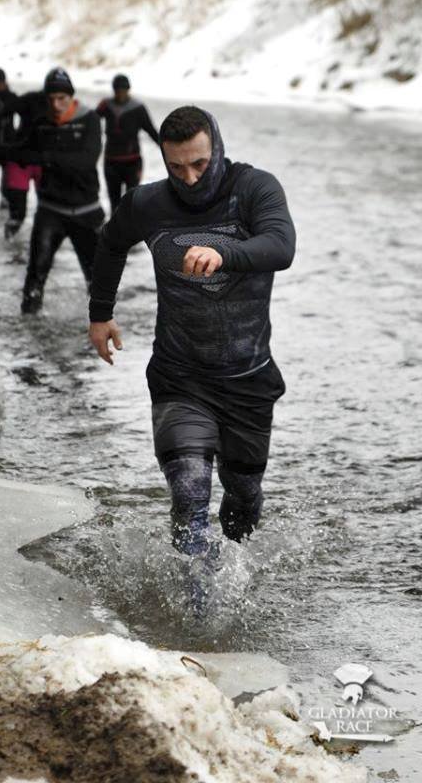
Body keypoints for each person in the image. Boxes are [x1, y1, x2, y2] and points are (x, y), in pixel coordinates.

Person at [88, 105, 295, 558]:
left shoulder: (255, 189)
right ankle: (195, 613)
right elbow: (110, 243)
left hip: (248, 379)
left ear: (217, 148)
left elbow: (281, 246)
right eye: (176, 167)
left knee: (241, 501)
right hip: (180, 376)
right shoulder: (148, 203)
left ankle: (236, 582)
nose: (190, 177)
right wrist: (100, 313)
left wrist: (226, 254)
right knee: (189, 496)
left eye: (200, 163)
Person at [13, 67, 104, 314]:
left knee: (99, 282)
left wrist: (44, 158)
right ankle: (29, 330)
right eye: (50, 99)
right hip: (50, 210)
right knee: (35, 277)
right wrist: (2, 150)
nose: (55, 104)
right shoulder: (40, 122)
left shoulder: (90, 119)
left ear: (71, 97)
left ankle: (101, 332)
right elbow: (22, 150)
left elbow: (86, 160)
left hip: (87, 210)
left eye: (61, 98)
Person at [0, 68, 45, 240]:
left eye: (1, 82)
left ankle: (5, 206)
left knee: (9, 187)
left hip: (11, 148)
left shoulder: (12, 98)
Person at [96, 74, 159, 214]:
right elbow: (92, 121)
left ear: (128, 90)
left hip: (132, 162)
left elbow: (150, 129)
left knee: (130, 201)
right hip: (111, 161)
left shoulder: (137, 108)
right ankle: (114, 233)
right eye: (117, 90)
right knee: (114, 203)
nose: (120, 93)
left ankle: (130, 233)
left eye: (123, 90)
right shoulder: (106, 105)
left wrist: (165, 146)